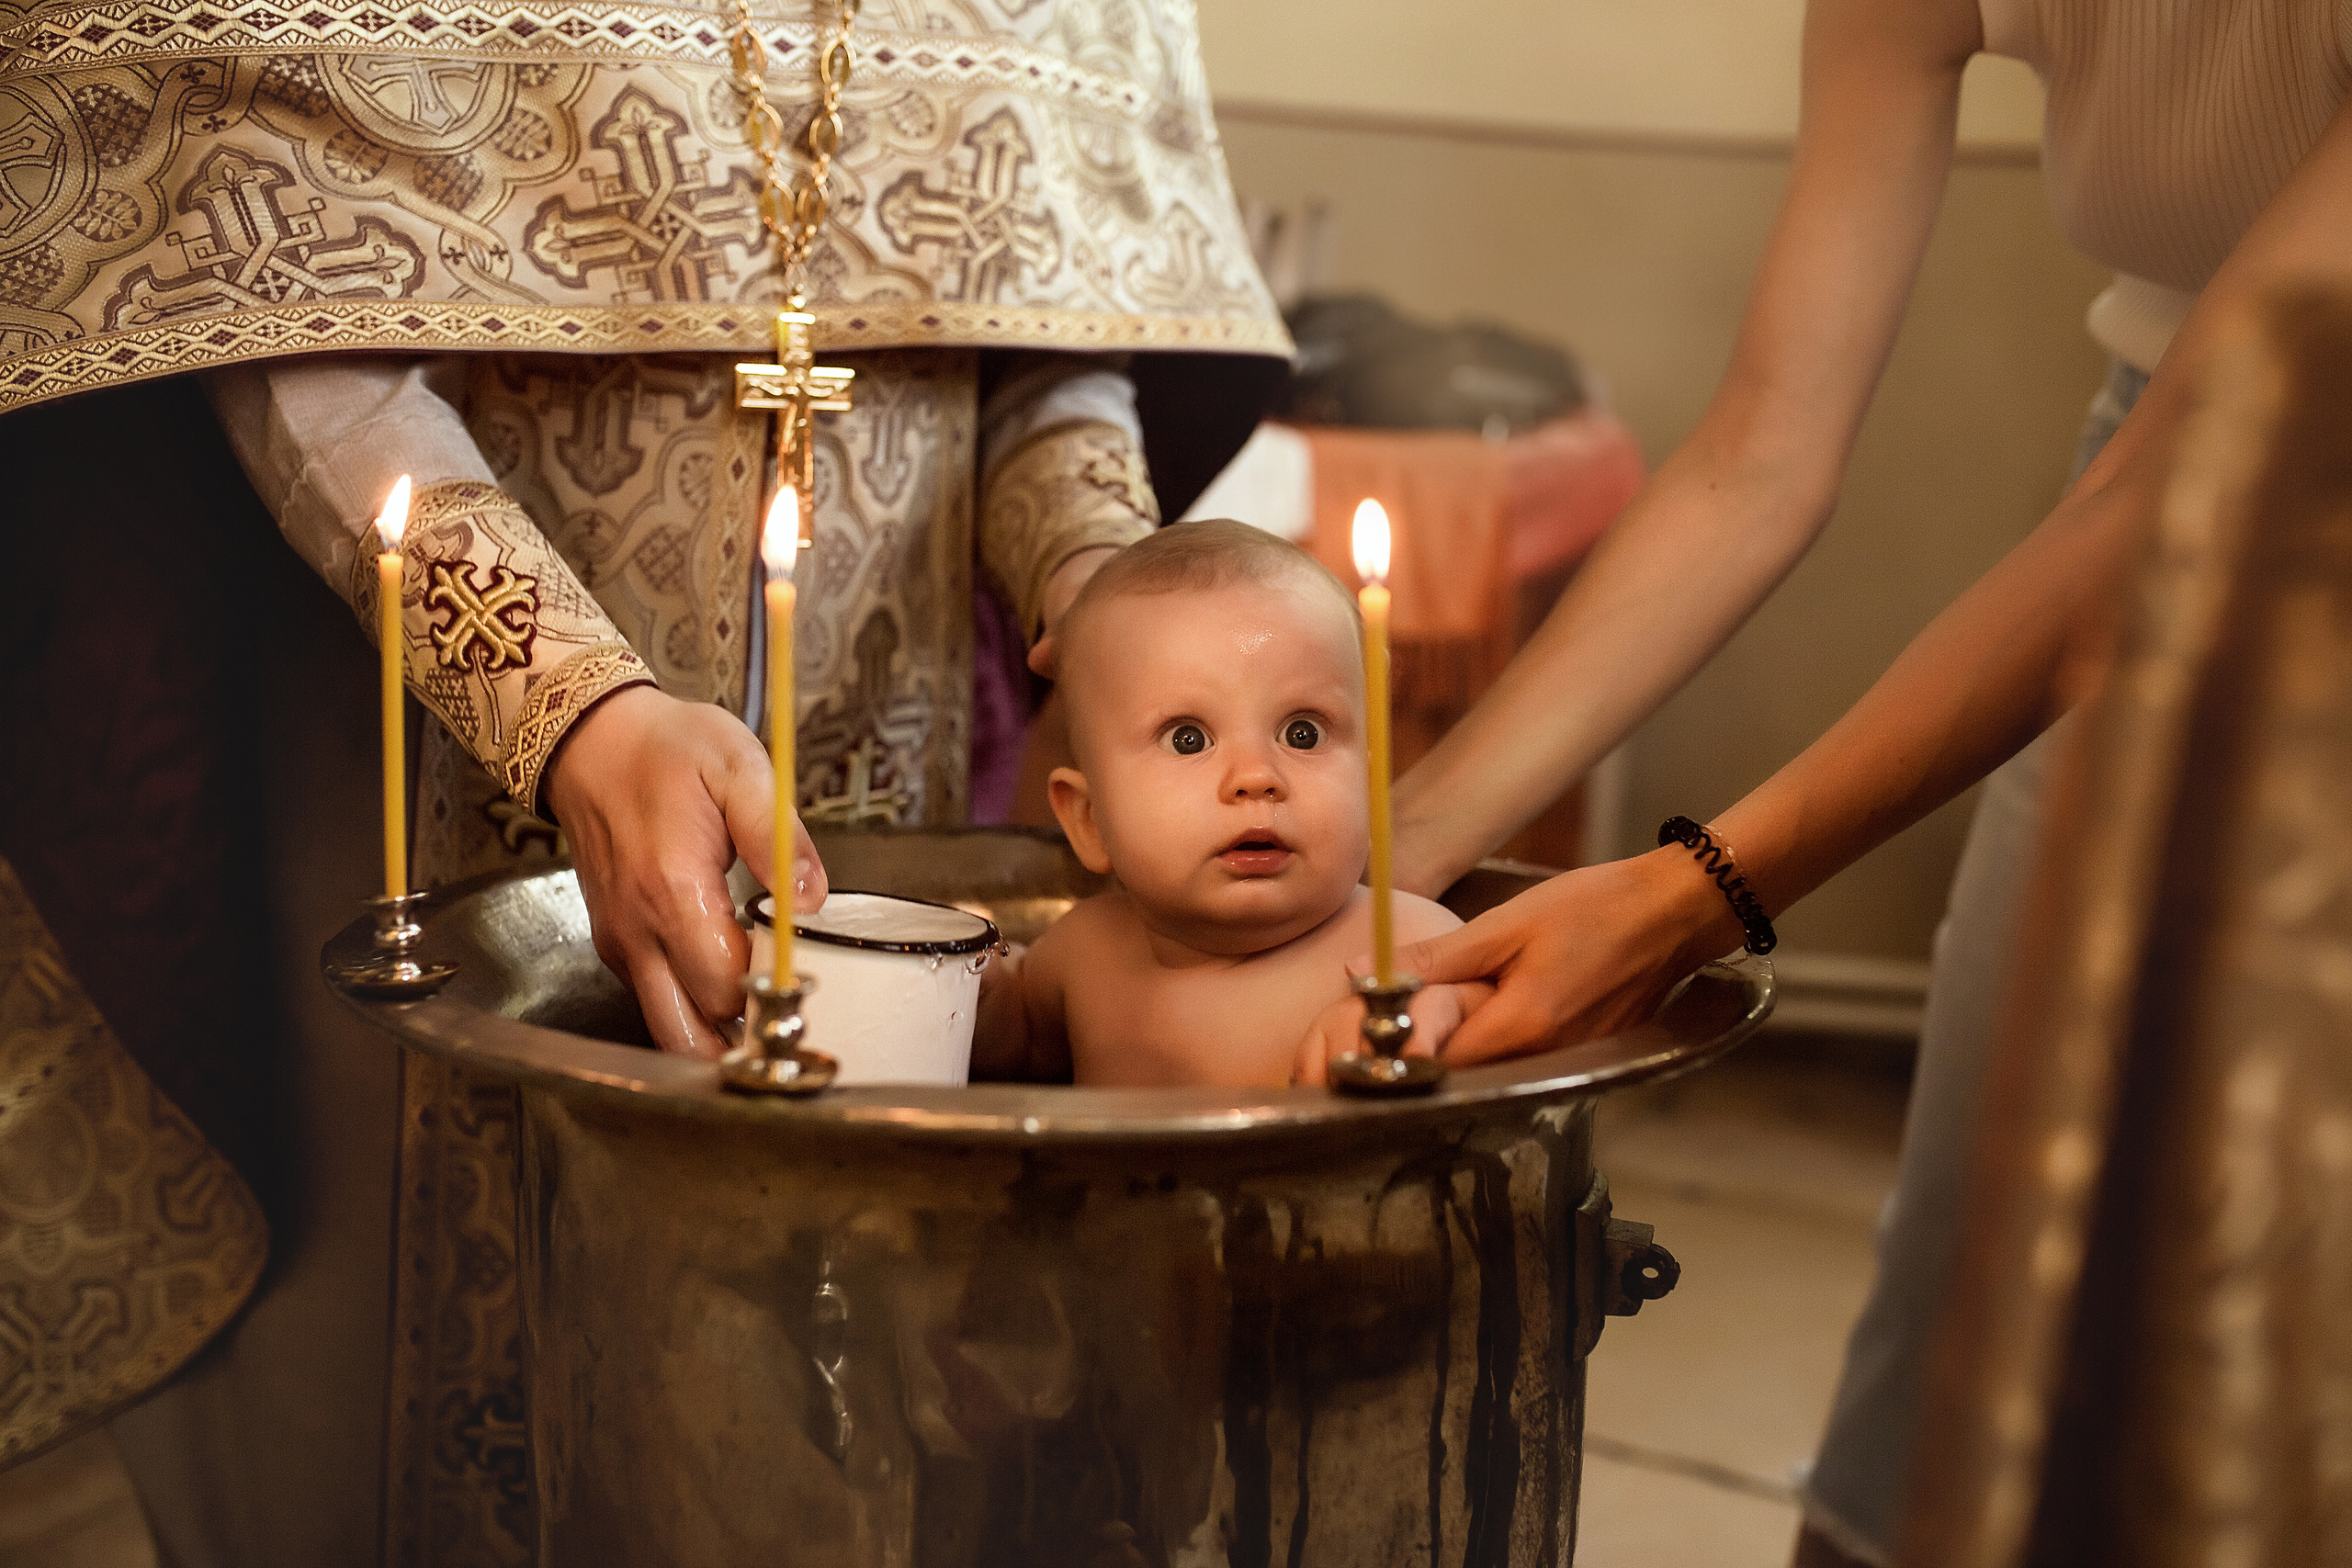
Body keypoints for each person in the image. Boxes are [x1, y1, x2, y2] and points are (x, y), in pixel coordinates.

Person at [0, 2, 1285, 1560]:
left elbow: (1045, 356)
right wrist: (568, 706)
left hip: (889, 769)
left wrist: (1108, 599)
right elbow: (267, 303)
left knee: (849, 1409)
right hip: (396, 765)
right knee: (396, 1440)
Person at [1366, 2, 2352, 1562]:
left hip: (2238, 485)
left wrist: (1693, 896)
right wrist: (1382, 857)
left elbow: (2157, 525)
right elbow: (1766, 450)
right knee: (1972, 1279)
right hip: (2151, 445)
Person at [974, 521, 1487, 1086]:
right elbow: (1012, 1059)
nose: (1256, 777)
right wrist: (975, 992)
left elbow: (1504, 1025)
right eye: (1187, 738)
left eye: (1303, 734)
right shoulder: (1083, 954)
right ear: (1089, 820)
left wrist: (1451, 1011)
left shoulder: (1403, 945)